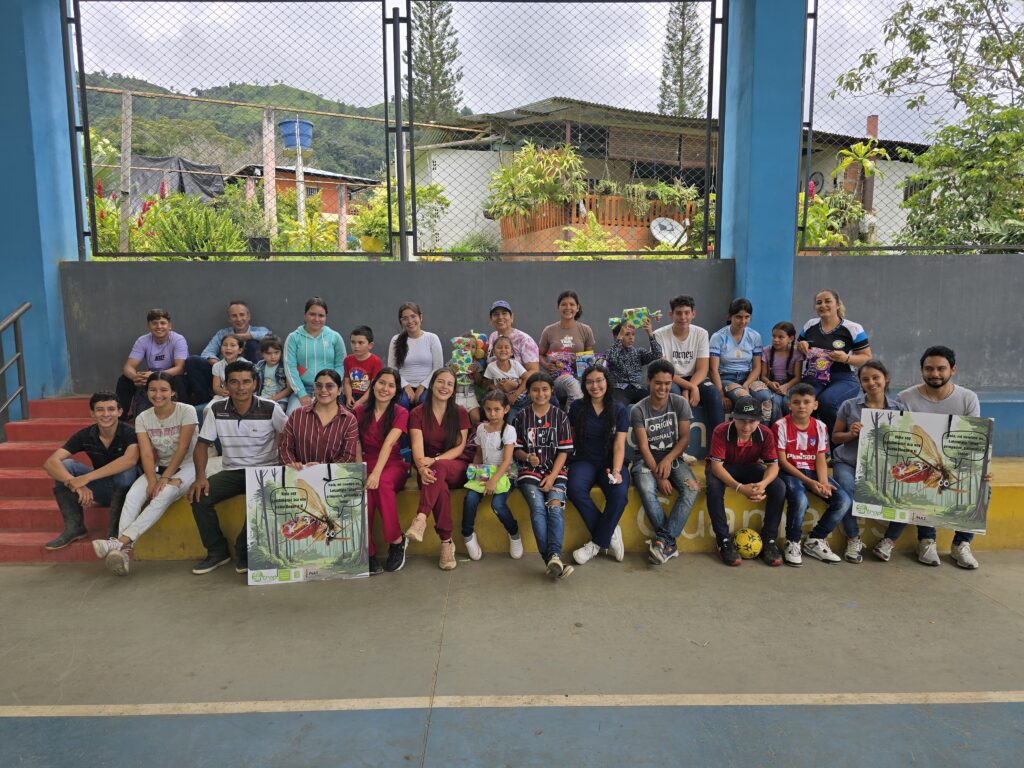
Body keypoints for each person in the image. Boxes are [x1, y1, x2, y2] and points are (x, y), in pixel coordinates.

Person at [873, 346, 991, 569]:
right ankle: (926, 540)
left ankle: (961, 544)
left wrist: (980, 468)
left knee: (983, 487)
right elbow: (902, 438)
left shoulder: (968, 398)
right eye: (929, 369)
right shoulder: (905, 397)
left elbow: (972, 440)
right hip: (920, 461)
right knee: (925, 482)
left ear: (952, 370)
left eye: (940, 369)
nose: (934, 374)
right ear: (922, 371)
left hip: (956, 463)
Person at [90, 373, 198, 575]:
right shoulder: (143, 417)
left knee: (164, 493)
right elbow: (146, 453)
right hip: (161, 466)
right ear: (146, 392)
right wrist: (150, 480)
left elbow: (183, 448)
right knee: (133, 495)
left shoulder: (187, 410)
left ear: (173, 391)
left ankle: (118, 543)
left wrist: (164, 479)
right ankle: (122, 553)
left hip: (191, 464)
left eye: (164, 389)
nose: (158, 394)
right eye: (153, 390)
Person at [188, 360, 287, 575]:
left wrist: (284, 467)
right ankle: (217, 552)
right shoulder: (216, 409)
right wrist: (200, 477)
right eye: (234, 382)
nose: (240, 388)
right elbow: (202, 445)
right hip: (233, 470)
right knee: (199, 496)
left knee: (262, 500)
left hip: (264, 471)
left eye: (246, 382)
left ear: (255, 384)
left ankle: (243, 550)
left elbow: (289, 436)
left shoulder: (271, 408)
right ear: (226, 384)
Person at [41, 392, 140, 550]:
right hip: (103, 489)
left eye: (111, 409)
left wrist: (86, 478)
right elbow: (50, 462)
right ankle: (75, 527)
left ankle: (115, 532)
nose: (106, 414)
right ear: (92, 413)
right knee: (66, 465)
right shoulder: (86, 435)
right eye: (100, 410)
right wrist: (74, 483)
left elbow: (130, 460)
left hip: (130, 493)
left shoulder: (130, 433)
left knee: (126, 472)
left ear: (120, 412)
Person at [831, 360, 904, 563]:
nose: (871, 383)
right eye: (865, 379)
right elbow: (835, 437)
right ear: (860, 383)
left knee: (909, 491)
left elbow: (906, 443)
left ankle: (889, 541)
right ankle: (853, 538)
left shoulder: (898, 409)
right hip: (849, 462)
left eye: (875, 378)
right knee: (846, 488)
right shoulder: (849, 405)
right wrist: (850, 434)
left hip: (883, 466)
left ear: (886, 378)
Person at [773, 383, 852, 566]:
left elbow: (820, 458)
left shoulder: (820, 427)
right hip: (790, 472)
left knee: (843, 500)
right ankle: (792, 542)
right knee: (800, 500)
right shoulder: (780, 425)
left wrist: (823, 482)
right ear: (789, 405)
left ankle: (815, 539)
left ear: (815, 405)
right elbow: (783, 462)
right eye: (797, 402)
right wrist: (809, 482)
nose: (802, 406)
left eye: (807, 402)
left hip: (814, 472)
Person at [630, 359, 700, 565]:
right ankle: (668, 544)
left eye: (667, 383)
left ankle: (664, 542)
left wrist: (669, 460)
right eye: (658, 383)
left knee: (692, 488)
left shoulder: (680, 402)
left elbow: (685, 438)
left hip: (673, 457)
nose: (663, 388)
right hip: (645, 459)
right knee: (645, 487)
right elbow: (643, 446)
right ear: (649, 382)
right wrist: (659, 476)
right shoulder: (638, 409)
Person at [704, 396, 785, 566]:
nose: (747, 426)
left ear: (759, 420)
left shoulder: (765, 433)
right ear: (734, 417)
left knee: (778, 486)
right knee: (713, 486)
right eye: (742, 421)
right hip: (724, 468)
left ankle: (769, 540)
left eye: (752, 421)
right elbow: (717, 467)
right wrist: (741, 488)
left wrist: (762, 485)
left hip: (749, 466)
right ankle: (723, 541)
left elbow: (773, 466)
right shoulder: (721, 431)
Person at [405, 369, 471, 571]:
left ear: (453, 389)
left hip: (455, 465)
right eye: (440, 382)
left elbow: (460, 447)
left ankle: (421, 518)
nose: (444, 387)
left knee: (439, 468)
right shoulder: (417, 413)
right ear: (432, 385)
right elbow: (417, 447)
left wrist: (433, 461)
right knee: (438, 486)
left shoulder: (459, 412)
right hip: (427, 471)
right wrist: (421, 466)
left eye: (449, 384)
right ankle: (446, 543)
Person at [513, 372, 575, 580]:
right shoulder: (521, 417)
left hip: (557, 472)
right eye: (535, 389)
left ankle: (553, 557)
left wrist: (552, 476)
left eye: (545, 389)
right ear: (529, 392)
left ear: (551, 391)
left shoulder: (561, 416)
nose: (540, 393)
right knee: (538, 508)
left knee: (555, 508)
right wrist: (527, 456)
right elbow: (516, 449)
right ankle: (553, 558)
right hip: (528, 473)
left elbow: (564, 451)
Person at [566, 365, 629, 566]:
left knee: (619, 494)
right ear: (584, 385)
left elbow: (620, 444)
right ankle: (610, 533)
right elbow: (572, 437)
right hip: (584, 459)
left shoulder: (619, 408)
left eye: (599, 380)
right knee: (574, 488)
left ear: (607, 382)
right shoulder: (577, 407)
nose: (595, 385)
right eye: (590, 381)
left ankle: (595, 544)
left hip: (610, 463)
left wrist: (617, 471)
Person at [354, 368, 411, 574]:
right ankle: (368, 552)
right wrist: (361, 471)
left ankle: (396, 541)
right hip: (365, 462)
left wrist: (376, 473)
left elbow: (388, 444)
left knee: (383, 483)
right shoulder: (360, 412)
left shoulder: (401, 412)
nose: (384, 388)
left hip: (392, 463)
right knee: (365, 491)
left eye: (390, 385)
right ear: (373, 384)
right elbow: (357, 444)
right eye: (381, 383)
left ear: (396, 391)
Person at [796, 289, 872, 435]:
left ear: (837, 304)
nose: (823, 305)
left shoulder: (853, 328)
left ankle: (835, 449)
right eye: (819, 302)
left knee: (827, 402)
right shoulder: (810, 325)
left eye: (828, 301)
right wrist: (801, 346)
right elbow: (798, 348)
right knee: (803, 402)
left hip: (843, 377)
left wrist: (846, 358)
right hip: (814, 376)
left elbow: (866, 357)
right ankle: (808, 449)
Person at [461, 390, 522, 561]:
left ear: (506, 409)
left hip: (505, 472)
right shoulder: (481, 428)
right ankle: (467, 535)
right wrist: (474, 472)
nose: (492, 414)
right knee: (470, 499)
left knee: (498, 505)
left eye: (497, 409)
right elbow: (479, 454)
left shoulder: (509, 431)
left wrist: (494, 481)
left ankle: (514, 534)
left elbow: (507, 459)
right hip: (485, 471)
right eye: (488, 410)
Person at [653, 294, 724, 433]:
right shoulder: (659, 335)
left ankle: (719, 447)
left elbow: (703, 369)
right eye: (678, 313)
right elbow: (665, 372)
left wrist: (689, 388)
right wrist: (690, 387)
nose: (683, 317)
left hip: (695, 378)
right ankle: (676, 447)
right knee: (672, 393)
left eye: (687, 313)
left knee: (713, 392)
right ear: (671, 315)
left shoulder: (701, 334)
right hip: (670, 378)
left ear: (693, 314)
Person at [185, 300, 271, 404]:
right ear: (229, 319)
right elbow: (206, 354)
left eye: (242, 315)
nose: (239, 319)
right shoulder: (222, 333)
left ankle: (254, 395)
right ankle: (205, 402)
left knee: (252, 344)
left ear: (248, 316)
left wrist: (244, 336)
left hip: (248, 374)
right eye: (234, 316)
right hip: (222, 376)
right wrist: (222, 366)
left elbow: (269, 337)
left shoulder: (260, 330)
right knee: (192, 360)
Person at [278, 369, 361, 469]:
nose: (323, 390)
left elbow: (348, 457)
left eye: (329, 386)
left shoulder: (349, 420)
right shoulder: (297, 415)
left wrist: (321, 470)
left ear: (339, 390)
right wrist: (294, 465)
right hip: (299, 476)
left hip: (333, 480)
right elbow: (285, 447)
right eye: (319, 385)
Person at [115, 308, 188, 418]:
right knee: (124, 379)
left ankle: (183, 414)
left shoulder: (178, 339)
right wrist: (135, 377)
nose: (159, 327)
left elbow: (180, 368)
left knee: (179, 379)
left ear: (169, 326)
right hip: (151, 374)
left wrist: (155, 376)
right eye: (154, 323)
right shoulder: (142, 340)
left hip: (172, 374)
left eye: (163, 323)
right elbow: (128, 367)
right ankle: (120, 416)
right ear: (149, 326)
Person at [709, 298, 772, 423]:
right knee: (746, 400)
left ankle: (763, 436)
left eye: (747, 317)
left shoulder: (755, 336)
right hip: (726, 378)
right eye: (738, 317)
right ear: (730, 316)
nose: (743, 321)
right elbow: (713, 369)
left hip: (748, 377)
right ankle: (746, 436)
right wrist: (721, 394)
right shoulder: (718, 337)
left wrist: (747, 384)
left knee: (765, 399)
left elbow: (757, 368)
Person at [284, 297, 346, 415]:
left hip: (330, 389)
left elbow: (341, 365)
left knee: (339, 418)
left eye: (321, 315)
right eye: (312, 314)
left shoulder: (335, 337)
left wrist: (331, 388)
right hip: (304, 390)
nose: (316, 319)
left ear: (326, 317)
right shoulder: (293, 338)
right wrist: (302, 394)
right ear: (305, 315)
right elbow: (290, 367)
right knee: (292, 416)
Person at [537, 290, 595, 407]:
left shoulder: (586, 330)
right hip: (557, 380)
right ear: (558, 307)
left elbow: (590, 359)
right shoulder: (549, 330)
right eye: (563, 304)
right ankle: (573, 421)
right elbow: (539, 354)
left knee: (578, 384)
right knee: (569, 381)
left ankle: (569, 418)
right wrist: (546, 365)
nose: (568, 307)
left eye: (572, 304)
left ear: (578, 307)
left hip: (580, 378)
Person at [387, 302, 444, 410]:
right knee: (402, 401)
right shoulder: (395, 340)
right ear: (401, 321)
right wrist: (405, 386)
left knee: (424, 401)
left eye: (413, 316)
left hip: (428, 385)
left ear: (420, 317)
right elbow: (392, 369)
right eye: (405, 318)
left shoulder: (432, 338)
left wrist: (423, 386)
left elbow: (438, 368)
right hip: (402, 385)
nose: (410, 321)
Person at [603, 316, 662, 405]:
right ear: (617, 337)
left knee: (654, 402)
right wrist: (619, 338)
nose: (631, 337)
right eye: (627, 334)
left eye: (633, 334)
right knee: (617, 406)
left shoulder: (639, 352)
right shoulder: (611, 352)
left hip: (637, 388)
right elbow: (611, 358)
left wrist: (650, 334)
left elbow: (657, 354)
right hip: (619, 389)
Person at [760, 321, 803, 425]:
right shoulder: (766, 351)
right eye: (774, 336)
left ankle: (791, 428)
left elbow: (797, 377)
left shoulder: (797, 353)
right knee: (776, 403)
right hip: (773, 385)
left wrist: (786, 386)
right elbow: (763, 376)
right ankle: (776, 430)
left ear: (791, 338)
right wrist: (770, 383)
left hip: (791, 385)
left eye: (781, 337)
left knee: (787, 402)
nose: (776, 340)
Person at [483, 335, 530, 418]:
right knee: (511, 421)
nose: (503, 350)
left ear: (511, 352)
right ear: (493, 352)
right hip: (506, 403)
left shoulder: (515, 364)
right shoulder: (491, 367)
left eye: (506, 347)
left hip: (524, 400)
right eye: (499, 347)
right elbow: (488, 384)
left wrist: (515, 395)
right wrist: (497, 388)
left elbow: (527, 379)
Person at [344, 325, 383, 411]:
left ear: (370, 345)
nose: (356, 346)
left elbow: (374, 386)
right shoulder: (347, 360)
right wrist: (349, 397)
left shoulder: (376, 361)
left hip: (368, 396)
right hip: (352, 394)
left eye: (360, 343)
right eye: (353, 342)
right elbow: (347, 382)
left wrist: (360, 402)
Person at [254, 335, 291, 409]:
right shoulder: (259, 365)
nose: (273, 356)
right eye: (268, 353)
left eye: (276, 352)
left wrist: (271, 400)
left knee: (277, 410)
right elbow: (255, 384)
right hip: (262, 397)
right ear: (262, 354)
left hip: (280, 399)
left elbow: (289, 389)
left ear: (281, 352)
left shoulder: (285, 366)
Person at [210, 334, 245, 399]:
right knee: (209, 408)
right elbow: (216, 387)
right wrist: (222, 391)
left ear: (240, 350)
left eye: (232, 345)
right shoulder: (217, 366)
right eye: (225, 345)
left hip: (242, 395)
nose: (228, 348)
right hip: (224, 396)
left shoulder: (246, 365)